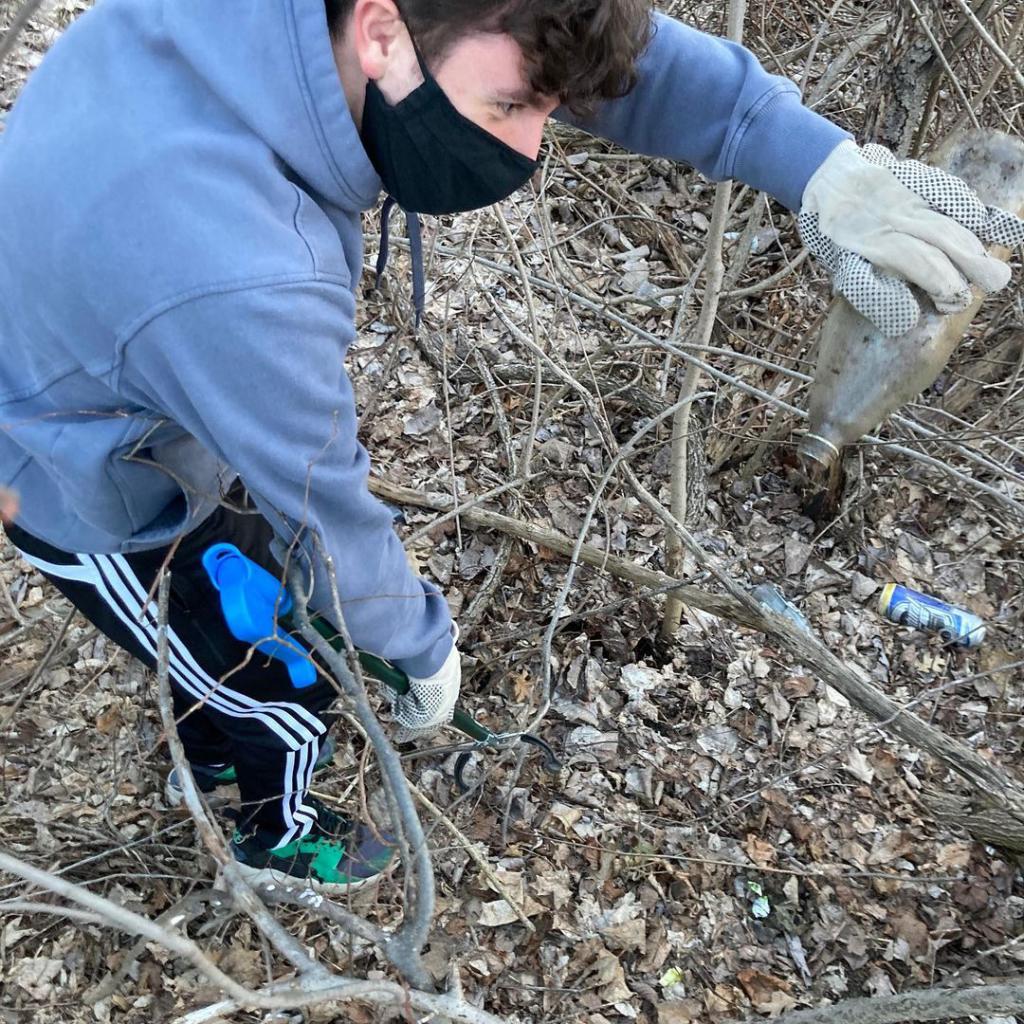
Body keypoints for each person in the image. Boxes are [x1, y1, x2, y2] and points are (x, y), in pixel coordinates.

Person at [0, 0, 1021, 894]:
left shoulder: (320, 33)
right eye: (511, 111)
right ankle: (277, 825)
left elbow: (568, 42)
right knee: (278, 669)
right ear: (382, 34)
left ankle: (216, 728)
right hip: (76, 478)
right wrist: (418, 650)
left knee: (228, 623)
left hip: (111, 332)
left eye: (545, 108)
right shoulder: (236, 275)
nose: (532, 151)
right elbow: (324, 512)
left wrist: (809, 160)